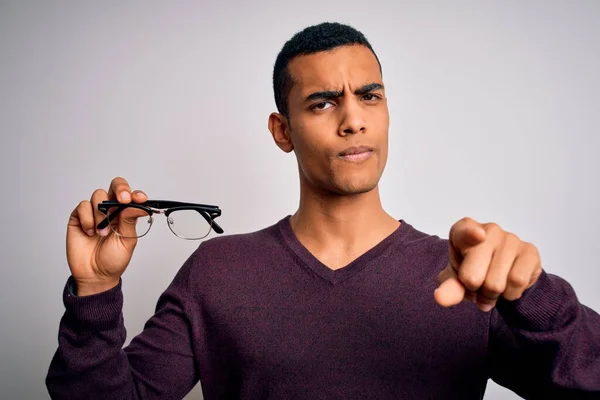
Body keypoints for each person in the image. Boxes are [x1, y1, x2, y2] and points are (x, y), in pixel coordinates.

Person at [46, 22, 600, 399]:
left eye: (371, 96)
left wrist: (537, 300)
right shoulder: (217, 273)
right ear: (282, 131)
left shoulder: (471, 276)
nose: (353, 120)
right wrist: (94, 291)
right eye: (323, 102)